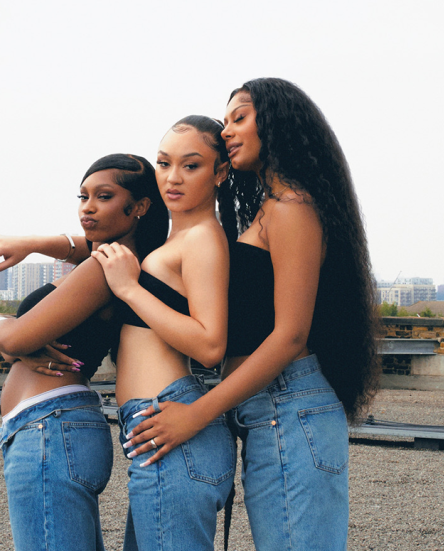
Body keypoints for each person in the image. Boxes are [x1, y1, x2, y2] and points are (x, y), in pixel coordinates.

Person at [124, 78, 382, 550]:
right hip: (271, 413)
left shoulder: (292, 208)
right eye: (225, 122)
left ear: (277, 123)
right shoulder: (269, 209)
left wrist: (195, 415)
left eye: (239, 118)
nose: (227, 131)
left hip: (289, 406)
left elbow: (289, 336)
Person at [0, 153, 168, 551]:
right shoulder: (121, 260)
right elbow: (81, 248)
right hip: (55, 426)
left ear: (139, 207)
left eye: (104, 196)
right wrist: (33, 243)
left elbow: (14, 341)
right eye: (82, 196)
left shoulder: (105, 266)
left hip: (49, 428)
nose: (88, 207)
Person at [93, 115, 235, 551]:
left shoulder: (203, 240)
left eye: (190, 166)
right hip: (156, 425)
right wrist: (37, 243)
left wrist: (129, 289)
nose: (172, 178)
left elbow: (211, 345)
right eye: (163, 163)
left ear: (220, 173)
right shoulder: (179, 239)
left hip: (169, 422)